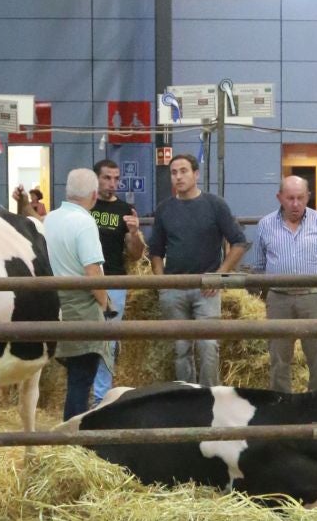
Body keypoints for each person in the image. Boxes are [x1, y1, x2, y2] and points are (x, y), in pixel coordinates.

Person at [147, 153, 247, 387]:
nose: (178, 177)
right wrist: (162, 283)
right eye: (174, 172)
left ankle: (209, 396)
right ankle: (187, 397)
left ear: (196, 174)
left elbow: (239, 242)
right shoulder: (164, 210)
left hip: (207, 289)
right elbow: (156, 251)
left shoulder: (215, 205)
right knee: (180, 348)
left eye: (183, 171)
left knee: (208, 345)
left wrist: (219, 276)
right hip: (174, 287)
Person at [244, 175, 317, 392]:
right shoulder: (265, 225)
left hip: (313, 298)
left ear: (308, 197)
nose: (295, 204)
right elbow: (258, 265)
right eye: (290, 198)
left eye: (300, 197)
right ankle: (282, 409)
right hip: (278, 298)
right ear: (279, 197)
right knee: (278, 358)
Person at [42, 167, 112, 420]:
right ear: (94, 195)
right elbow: (93, 270)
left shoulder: (49, 219)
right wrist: (105, 305)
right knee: (81, 379)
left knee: (75, 373)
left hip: (52, 306)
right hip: (81, 308)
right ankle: (73, 436)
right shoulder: (84, 222)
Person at [89, 158, 145, 405]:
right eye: (106, 178)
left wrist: (133, 233)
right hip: (83, 282)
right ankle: (82, 391)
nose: (112, 183)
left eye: (115, 178)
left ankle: (101, 396)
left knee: (108, 341)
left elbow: (135, 254)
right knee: (81, 337)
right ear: (95, 179)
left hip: (113, 280)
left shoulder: (124, 210)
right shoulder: (84, 206)